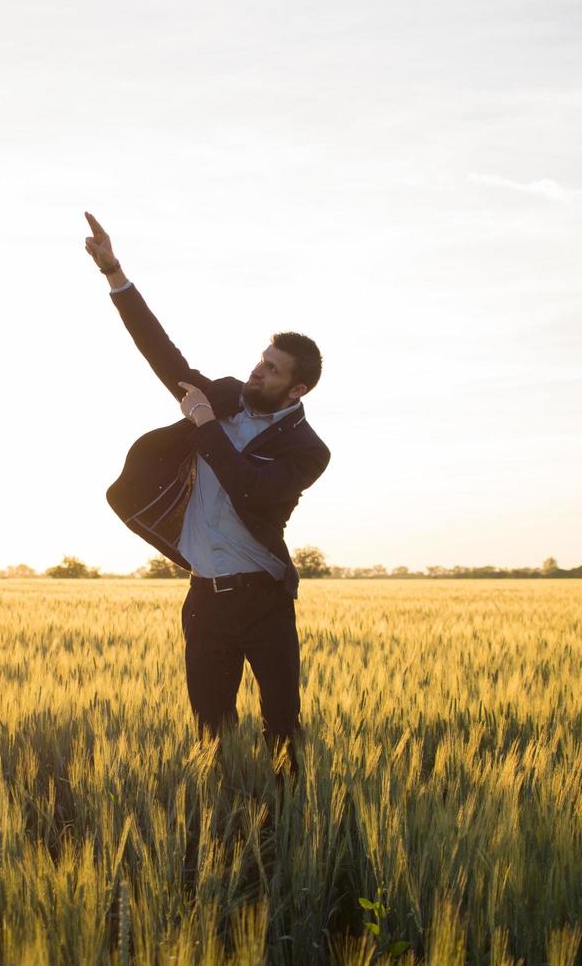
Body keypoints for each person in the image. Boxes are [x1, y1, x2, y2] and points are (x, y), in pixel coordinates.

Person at [83, 211, 331, 773]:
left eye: (271, 371)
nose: (256, 372)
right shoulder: (220, 396)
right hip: (204, 598)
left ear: (296, 389)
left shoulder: (308, 450)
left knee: (283, 731)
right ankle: (218, 825)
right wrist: (115, 275)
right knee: (210, 732)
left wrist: (205, 427)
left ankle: (283, 835)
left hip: (265, 600)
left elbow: (252, 491)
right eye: (260, 360)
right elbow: (163, 355)